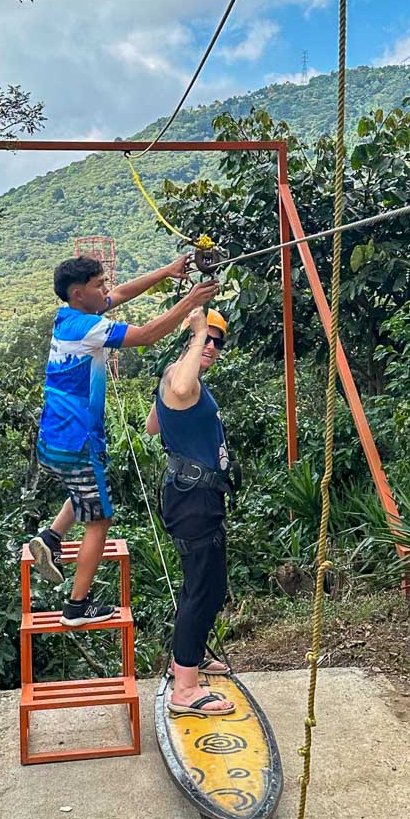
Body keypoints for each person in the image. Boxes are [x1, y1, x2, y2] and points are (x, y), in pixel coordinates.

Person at [28, 255, 218, 626]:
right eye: (100, 285)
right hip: (76, 440)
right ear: (79, 293)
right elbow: (146, 335)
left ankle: (51, 537)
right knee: (99, 521)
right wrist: (191, 304)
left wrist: (165, 271)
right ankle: (76, 608)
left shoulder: (68, 316)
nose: (107, 289)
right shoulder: (87, 327)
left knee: (85, 487)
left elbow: (122, 293)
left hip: (55, 436)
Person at [145, 305, 237, 715]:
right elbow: (179, 394)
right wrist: (198, 328)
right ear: (191, 339)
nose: (212, 347)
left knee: (202, 585)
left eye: (218, 341)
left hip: (196, 495)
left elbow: (153, 424)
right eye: (207, 339)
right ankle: (185, 689)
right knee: (204, 589)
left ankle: (189, 658)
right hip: (193, 498)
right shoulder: (183, 380)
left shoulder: (180, 377)